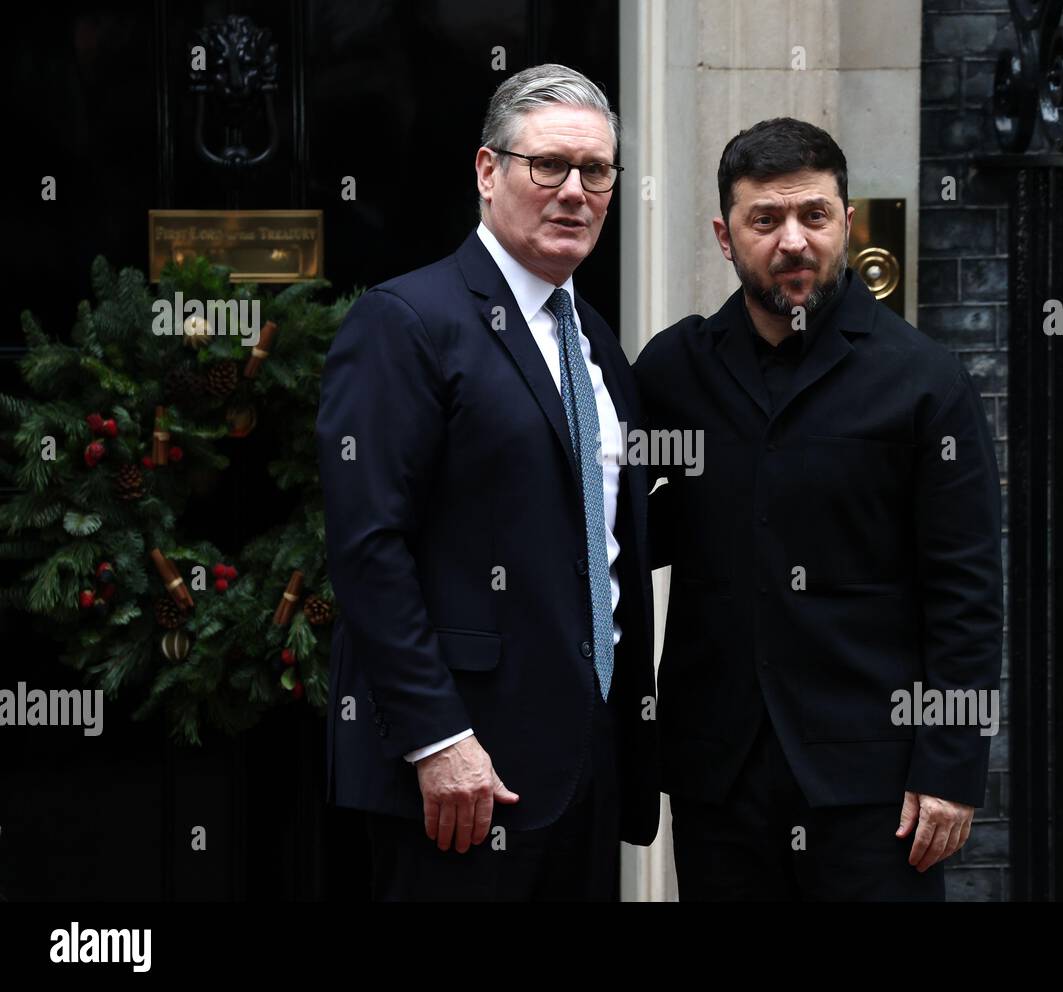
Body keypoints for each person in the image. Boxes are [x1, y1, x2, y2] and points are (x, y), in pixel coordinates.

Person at [633, 117, 1003, 901]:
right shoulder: (674, 369)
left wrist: (953, 767)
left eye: (814, 215)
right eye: (764, 220)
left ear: (846, 221)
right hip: (718, 776)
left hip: (877, 784)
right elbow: (612, 525)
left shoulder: (924, 381)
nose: (792, 241)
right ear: (724, 236)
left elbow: (966, 592)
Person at [315, 63, 658, 901]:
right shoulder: (406, 322)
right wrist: (436, 738)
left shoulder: (598, 344)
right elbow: (368, 547)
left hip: (587, 767)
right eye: (549, 165)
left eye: (597, 171)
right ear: (487, 171)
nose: (574, 190)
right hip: (464, 779)